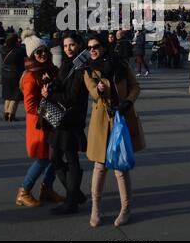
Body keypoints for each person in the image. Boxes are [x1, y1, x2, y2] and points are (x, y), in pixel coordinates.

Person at [84, 32, 144, 228]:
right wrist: (98, 90)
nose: (92, 50)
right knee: (99, 167)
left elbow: (135, 87)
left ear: (103, 46)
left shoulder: (121, 64)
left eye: (95, 47)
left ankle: (125, 209)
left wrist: (128, 102)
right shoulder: (88, 69)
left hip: (121, 118)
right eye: (89, 47)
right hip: (101, 119)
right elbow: (91, 89)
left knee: (120, 168)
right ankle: (95, 208)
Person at [16, 29, 64, 208]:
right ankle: (24, 191)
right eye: (38, 52)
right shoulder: (30, 76)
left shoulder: (50, 70)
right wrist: (47, 101)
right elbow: (29, 106)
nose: (43, 54)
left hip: (52, 120)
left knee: (56, 156)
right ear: (32, 55)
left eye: (44, 50)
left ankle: (47, 189)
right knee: (44, 158)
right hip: (40, 123)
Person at [42, 31, 89, 215]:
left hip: (71, 117)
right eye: (66, 45)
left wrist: (50, 95)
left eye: (72, 45)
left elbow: (72, 97)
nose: (68, 49)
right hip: (63, 118)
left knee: (70, 157)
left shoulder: (81, 67)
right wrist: (51, 83)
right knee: (55, 158)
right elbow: (62, 84)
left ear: (79, 45)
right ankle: (75, 193)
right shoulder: (68, 63)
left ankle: (72, 199)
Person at [1, 34, 25, 122]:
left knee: (8, 94)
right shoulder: (19, 51)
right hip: (16, 74)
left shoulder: (3, 49)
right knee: (16, 95)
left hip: (5, 73)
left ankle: (5, 113)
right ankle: (11, 114)